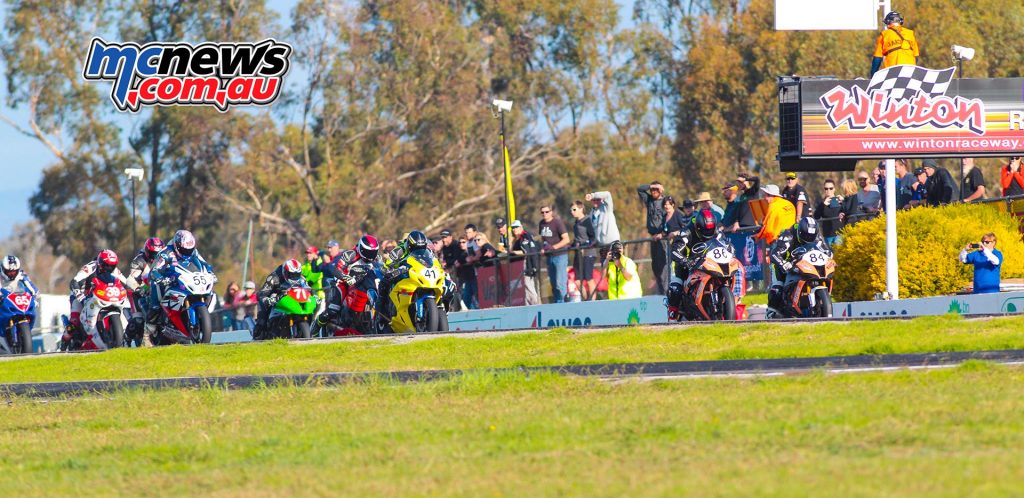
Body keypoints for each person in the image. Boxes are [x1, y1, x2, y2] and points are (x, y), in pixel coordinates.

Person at [666, 209, 723, 320]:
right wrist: (685, 261)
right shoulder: (686, 232)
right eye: (705, 231)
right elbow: (674, 251)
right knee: (675, 289)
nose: (708, 234)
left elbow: (725, 243)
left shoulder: (715, 230)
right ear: (698, 227)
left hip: (709, 264)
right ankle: (672, 318)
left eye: (710, 231)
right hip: (687, 266)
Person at [767, 217, 829, 316]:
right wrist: (783, 263)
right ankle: (771, 312)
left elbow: (826, 250)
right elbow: (774, 253)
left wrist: (829, 257)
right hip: (783, 263)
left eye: (811, 236)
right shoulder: (788, 235)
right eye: (806, 236)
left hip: (804, 264)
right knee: (778, 287)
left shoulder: (816, 236)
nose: (809, 238)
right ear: (800, 232)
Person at [67, 250, 129, 348]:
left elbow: (126, 282)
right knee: (74, 321)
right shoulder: (90, 267)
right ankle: (64, 342)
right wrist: (80, 296)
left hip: (100, 295)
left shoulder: (115, 270)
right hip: (81, 293)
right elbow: (74, 282)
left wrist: (136, 289)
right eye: (106, 265)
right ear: (100, 263)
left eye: (112, 266)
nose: (109, 268)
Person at [125, 237, 165, 341]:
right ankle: (126, 338)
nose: (155, 257)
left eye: (158, 254)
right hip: (140, 292)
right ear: (147, 251)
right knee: (138, 320)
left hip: (158, 289)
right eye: (153, 253)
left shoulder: (165, 260)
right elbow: (130, 279)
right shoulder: (139, 261)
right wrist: (139, 288)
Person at [254, 259, 306, 338]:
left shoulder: (302, 279)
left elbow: (308, 289)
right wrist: (267, 299)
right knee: (262, 319)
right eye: (291, 275)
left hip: (292, 302)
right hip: (275, 299)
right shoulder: (273, 278)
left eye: (297, 274)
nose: (294, 277)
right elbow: (261, 293)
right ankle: (258, 331)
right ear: (285, 272)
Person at [638, 181, 668, 295]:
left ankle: (666, 293)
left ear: (661, 190)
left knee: (663, 267)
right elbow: (640, 189)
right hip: (653, 238)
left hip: (662, 238)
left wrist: (663, 233)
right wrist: (651, 186)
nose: (653, 192)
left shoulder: (666, 202)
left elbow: (670, 219)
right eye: (652, 190)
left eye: (656, 190)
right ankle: (660, 292)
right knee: (655, 267)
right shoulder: (649, 200)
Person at [539, 205, 571, 303]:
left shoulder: (557, 223)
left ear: (551, 212)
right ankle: (558, 305)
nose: (545, 214)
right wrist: (544, 248)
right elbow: (543, 239)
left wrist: (553, 247)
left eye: (547, 212)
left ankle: (564, 304)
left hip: (560, 256)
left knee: (560, 283)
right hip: (550, 257)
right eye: (542, 212)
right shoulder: (541, 224)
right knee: (553, 284)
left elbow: (567, 239)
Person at [871, 11, 919, 76]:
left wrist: (873, 75)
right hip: (910, 71)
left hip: (892, 71)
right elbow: (916, 56)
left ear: (888, 22)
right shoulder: (910, 33)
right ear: (900, 22)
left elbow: (877, 58)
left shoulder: (884, 34)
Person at [569, 200, 597, 301]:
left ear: (581, 209)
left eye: (574, 209)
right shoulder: (576, 223)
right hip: (578, 253)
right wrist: (572, 245)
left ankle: (593, 301)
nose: (572, 212)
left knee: (589, 278)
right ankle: (586, 300)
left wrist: (587, 245)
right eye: (571, 210)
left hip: (588, 253)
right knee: (577, 281)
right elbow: (577, 238)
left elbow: (593, 237)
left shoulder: (587, 220)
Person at [509, 220, 542, 306]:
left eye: (516, 227)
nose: (514, 229)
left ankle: (537, 306)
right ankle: (529, 306)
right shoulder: (517, 239)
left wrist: (513, 252)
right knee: (525, 289)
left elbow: (526, 251)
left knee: (529, 287)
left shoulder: (525, 236)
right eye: (513, 228)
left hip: (527, 265)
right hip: (521, 265)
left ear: (521, 227)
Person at [813, 179, 843, 247]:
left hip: (839, 234)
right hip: (828, 235)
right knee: (830, 256)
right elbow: (816, 216)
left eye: (831, 188)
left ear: (834, 189)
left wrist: (844, 202)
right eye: (826, 188)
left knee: (838, 254)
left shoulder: (839, 200)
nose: (828, 190)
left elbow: (848, 211)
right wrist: (823, 204)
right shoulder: (822, 203)